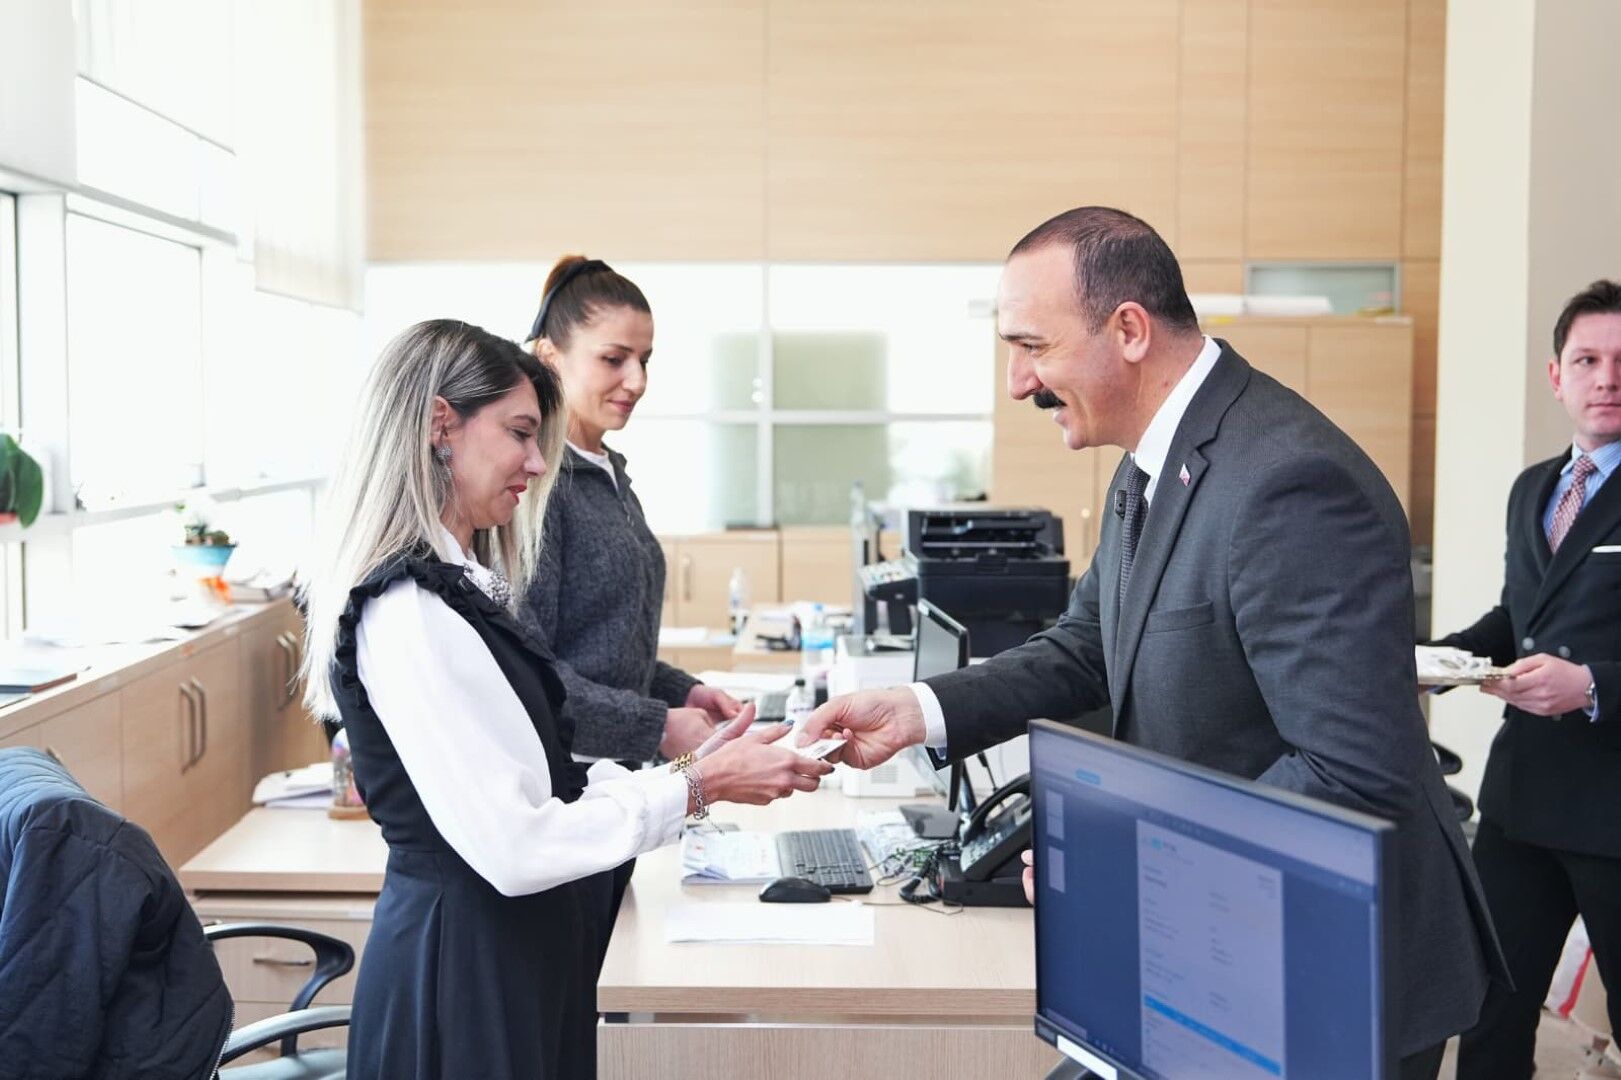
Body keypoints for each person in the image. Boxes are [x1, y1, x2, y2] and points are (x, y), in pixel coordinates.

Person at [798, 206, 1507, 1080]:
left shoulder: (1287, 482)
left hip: (1324, 965)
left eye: (1033, 347)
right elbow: (1086, 647)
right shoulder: (1153, 466)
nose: (1018, 383)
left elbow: (1349, 769)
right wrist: (920, 709)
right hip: (1218, 946)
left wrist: (1125, 867)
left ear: (1128, 329)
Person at [298, 319, 831, 1080]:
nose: (536, 461)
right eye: (519, 433)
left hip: (514, 951)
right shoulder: (406, 608)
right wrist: (696, 786)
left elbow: (545, 780)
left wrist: (689, 772)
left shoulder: (460, 591)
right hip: (464, 971)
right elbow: (518, 845)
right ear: (440, 425)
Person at [1431, 279, 1621, 1080]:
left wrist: (1592, 686)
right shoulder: (1532, 489)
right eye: (1586, 359)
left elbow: (1579, 661)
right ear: (1556, 376)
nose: (1606, 377)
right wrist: (1432, 660)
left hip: (1613, 811)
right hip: (1520, 804)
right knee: (1488, 1018)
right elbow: (1518, 618)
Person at [518, 256, 737, 770]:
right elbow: (530, 672)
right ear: (550, 357)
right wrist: (657, 725)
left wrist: (683, 694)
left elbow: (606, 653)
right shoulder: (534, 484)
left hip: (615, 777)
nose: (636, 381)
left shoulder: (608, 471)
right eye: (614, 359)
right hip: (563, 781)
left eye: (645, 359)